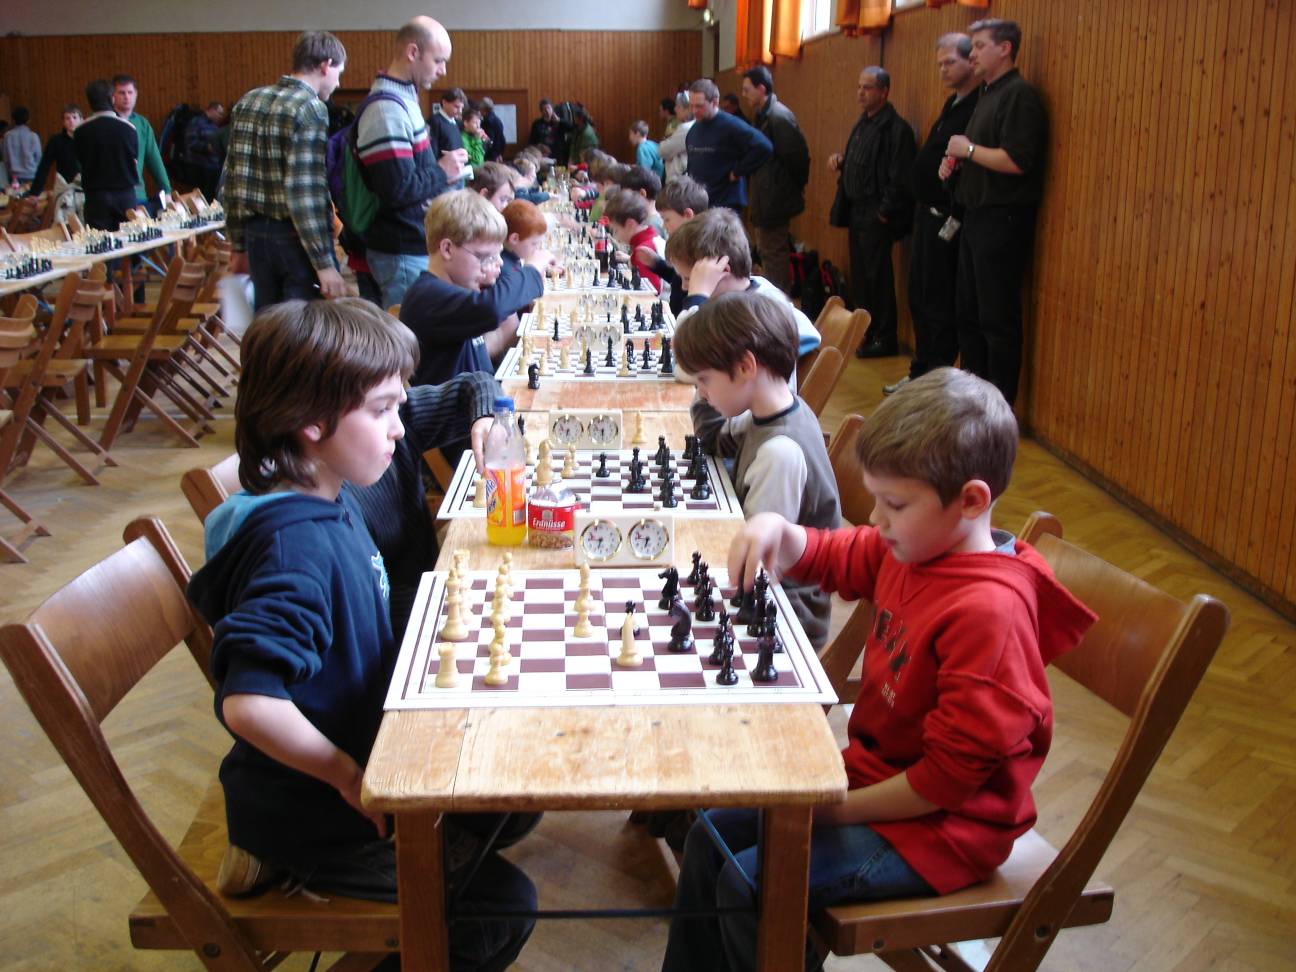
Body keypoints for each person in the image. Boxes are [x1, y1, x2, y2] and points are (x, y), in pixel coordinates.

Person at [662, 367, 1097, 972]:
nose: (876, 519)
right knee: (709, 834)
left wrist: (827, 808)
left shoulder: (989, 616)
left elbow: (943, 784)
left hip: (942, 831)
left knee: (751, 882)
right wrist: (777, 530)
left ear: (972, 501)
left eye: (894, 504)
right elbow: (833, 553)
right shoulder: (916, 546)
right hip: (873, 782)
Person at [187, 298, 536, 971]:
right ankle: (282, 858)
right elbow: (249, 703)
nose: (400, 428)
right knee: (502, 908)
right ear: (310, 421)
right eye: (382, 411)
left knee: (508, 800)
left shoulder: (326, 495)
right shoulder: (293, 551)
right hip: (318, 812)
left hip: (360, 755)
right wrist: (347, 776)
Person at [673, 292, 841, 649]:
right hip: (767, 597)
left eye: (704, 380)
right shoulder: (772, 410)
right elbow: (714, 439)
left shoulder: (779, 453)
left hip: (782, 619)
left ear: (746, 367)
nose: (701, 392)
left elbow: (753, 568)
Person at [941, 19, 1048, 407]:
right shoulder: (987, 94)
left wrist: (968, 151)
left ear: (1005, 49)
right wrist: (955, 162)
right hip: (975, 217)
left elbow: (1017, 160)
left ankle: (998, 412)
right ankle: (972, 405)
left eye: (980, 45)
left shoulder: (1019, 95)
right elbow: (979, 153)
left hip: (1002, 220)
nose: (972, 54)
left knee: (995, 320)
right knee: (968, 316)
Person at [222, 30, 348, 309]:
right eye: (338, 73)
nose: (338, 82)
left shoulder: (248, 100)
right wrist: (324, 263)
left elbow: (232, 182)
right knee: (302, 327)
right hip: (294, 239)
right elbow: (306, 193)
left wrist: (238, 246)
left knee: (267, 327)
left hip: (255, 236)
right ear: (325, 65)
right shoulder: (311, 108)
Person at [886, 33, 981, 397]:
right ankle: (920, 373)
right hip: (926, 215)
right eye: (939, 63)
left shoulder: (977, 105)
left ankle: (934, 385)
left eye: (950, 62)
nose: (943, 70)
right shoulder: (952, 103)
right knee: (919, 297)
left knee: (939, 303)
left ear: (971, 61)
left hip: (949, 217)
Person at [357, 17, 467, 310]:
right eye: (438, 60)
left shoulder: (404, 101)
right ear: (413, 52)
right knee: (409, 334)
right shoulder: (386, 109)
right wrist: (442, 170)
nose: (443, 70)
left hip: (413, 243)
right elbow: (396, 190)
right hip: (400, 248)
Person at [400, 189, 551, 387]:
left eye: (497, 255)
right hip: (457, 406)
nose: (498, 264)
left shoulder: (458, 291)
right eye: (485, 257)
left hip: (478, 396)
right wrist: (532, 270)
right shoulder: (426, 296)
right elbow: (491, 308)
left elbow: (480, 346)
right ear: (447, 249)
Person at [828, 66, 916, 359]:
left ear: (883, 92)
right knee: (862, 278)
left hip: (876, 215)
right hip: (857, 211)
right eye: (859, 87)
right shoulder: (863, 124)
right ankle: (866, 332)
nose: (860, 93)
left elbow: (900, 176)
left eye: (867, 87)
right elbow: (866, 164)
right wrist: (843, 162)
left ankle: (885, 337)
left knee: (878, 278)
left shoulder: (896, 129)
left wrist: (884, 212)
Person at [664, 208, 820, 361]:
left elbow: (685, 359)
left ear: (721, 270)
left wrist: (697, 296)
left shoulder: (755, 313)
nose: (685, 287)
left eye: (689, 279)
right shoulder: (746, 295)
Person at [740, 66, 811, 295]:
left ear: (761, 89)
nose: (744, 95)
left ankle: (778, 305)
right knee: (768, 254)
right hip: (766, 198)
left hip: (776, 201)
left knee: (774, 258)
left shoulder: (778, 117)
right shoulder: (762, 117)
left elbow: (798, 159)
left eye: (747, 89)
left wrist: (786, 191)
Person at [684, 78, 772, 214]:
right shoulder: (693, 130)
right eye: (692, 105)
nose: (694, 111)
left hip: (725, 203)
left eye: (699, 106)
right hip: (701, 201)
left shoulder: (731, 125)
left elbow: (764, 146)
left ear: (714, 102)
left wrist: (738, 171)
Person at [637, 175, 709, 319]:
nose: (664, 225)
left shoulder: (703, 249)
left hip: (689, 321)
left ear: (688, 215)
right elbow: (678, 278)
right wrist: (657, 264)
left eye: (667, 219)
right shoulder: (683, 243)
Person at [74, 79, 138, 230]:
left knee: (100, 242)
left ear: (89, 102)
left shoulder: (80, 131)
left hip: (96, 197)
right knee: (131, 238)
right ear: (112, 99)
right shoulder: (129, 128)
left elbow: (80, 161)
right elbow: (134, 160)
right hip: (125, 195)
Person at [112, 74, 172, 211]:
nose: (126, 97)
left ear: (136, 94)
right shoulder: (106, 123)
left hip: (137, 194)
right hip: (113, 196)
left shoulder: (142, 123)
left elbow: (154, 159)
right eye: (121, 93)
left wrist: (166, 189)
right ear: (113, 96)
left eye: (130, 92)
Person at [604, 189, 663, 295]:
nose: (615, 236)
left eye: (616, 230)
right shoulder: (651, 237)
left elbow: (648, 296)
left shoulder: (643, 251)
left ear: (630, 224)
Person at [27, 104, 81, 195]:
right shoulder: (56, 141)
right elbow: (44, 166)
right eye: (67, 118)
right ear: (63, 122)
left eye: (75, 117)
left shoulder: (88, 139)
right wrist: (35, 192)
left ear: (81, 119)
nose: (71, 121)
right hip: (64, 186)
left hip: (85, 186)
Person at [182, 101, 227, 201]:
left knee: (212, 198)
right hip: (200, 168)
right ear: (212, 110)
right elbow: (191, 143)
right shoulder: (196, 123)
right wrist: (207, 147)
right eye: (220, 113)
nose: (221, 117)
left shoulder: (215, 126)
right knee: (202, 199)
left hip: (214, 168)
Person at [2, 107, 41, 187]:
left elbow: (6, 158)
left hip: (14, 176)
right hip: (31, 174)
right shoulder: (33, 136)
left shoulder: (7, 136)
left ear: (13, 119)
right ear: (28, 120)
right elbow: (38, 157)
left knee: (15, 195)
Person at [660, 91, 693, 181]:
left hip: (680, 178)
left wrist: (665, 141)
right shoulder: (688, 125)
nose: (675, 109)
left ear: (688, 109)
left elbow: (663, 150)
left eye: (678, 107)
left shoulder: (686, 128)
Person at [429, 87, 466, 160]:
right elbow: (432, 152)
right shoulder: (434, 121)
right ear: (444, 102)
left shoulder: (456, 122)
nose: (460, 111)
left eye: (462, 108)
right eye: (456, 107)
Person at [479, 97, 506, 162]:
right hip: (496, 153)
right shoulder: (496, 119)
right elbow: (502, 139)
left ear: (483, 109)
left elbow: (489, 142)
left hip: (491, 156)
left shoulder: (488, 122)